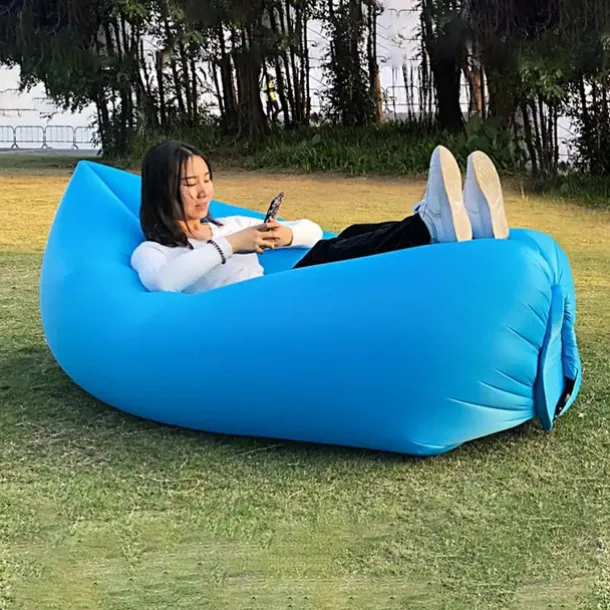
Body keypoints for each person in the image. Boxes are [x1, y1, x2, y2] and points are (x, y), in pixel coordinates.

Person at [131, 140, 510, 294]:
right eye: (189, 183)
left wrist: (285, 235)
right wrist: (232, 245)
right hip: (255, 309)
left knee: (350, 234)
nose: (203, 192)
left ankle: (461, 224)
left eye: (207, 179)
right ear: (163, 189)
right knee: (329, 255)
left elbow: (312, 231)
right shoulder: (154, 251)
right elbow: (164, 283)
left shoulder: (228, 224)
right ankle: (428, 225)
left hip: (280, 293)